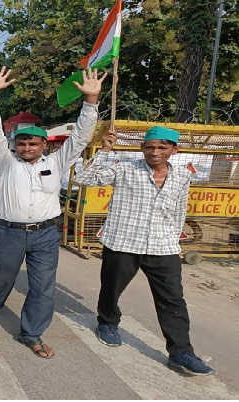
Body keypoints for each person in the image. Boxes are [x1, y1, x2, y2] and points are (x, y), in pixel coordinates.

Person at [0, 66, 107, 358]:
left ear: (43, 144)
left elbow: (81, 138)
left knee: (43, 287)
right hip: (7, 232)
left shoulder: (58, 162)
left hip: (45, 234)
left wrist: (90, 102)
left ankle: (32, 333)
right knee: (0, 276)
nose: (26, 147)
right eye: (21, 143)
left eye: (32, 143)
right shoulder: (5, 162)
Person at [74, 126, 215, 376]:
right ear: (142, 148)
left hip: (162, 246)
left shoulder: (182, 176)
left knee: (173, 299)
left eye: (162, 147)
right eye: (150, 147)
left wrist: (174, 242)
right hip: (123, 243)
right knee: (111, 288)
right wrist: (104, 150)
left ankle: (181, 351)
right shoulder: (124, 169)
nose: (155, 152)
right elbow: (83, 179)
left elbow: (178, 210)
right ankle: (107, 322)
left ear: (175, 149)